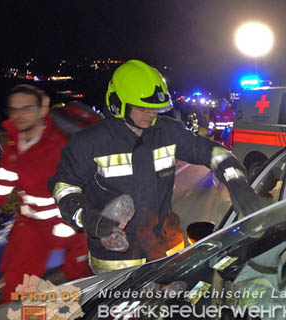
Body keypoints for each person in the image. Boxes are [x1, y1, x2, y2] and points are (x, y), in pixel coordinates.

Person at [48, 60, 261, 274]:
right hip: (117, 261)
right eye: (143, 108)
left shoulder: (167, 132)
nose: (151, 114)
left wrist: (236, 182)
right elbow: (64, 187)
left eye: (155, 108)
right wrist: (89, 218)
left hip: (166, 248)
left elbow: (213, 152)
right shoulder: (89, 142)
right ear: (117, 103)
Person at [0, 85, 91, 303]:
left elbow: (84, 188)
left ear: (43, 109)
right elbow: (5, 178)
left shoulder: (60, 145)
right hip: (30, 226)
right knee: (16, 288)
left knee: (84, 283)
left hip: (70, 224)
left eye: (26, 108)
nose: (18, 115)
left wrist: (66, 234)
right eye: (13, 109)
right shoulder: (15, 141)